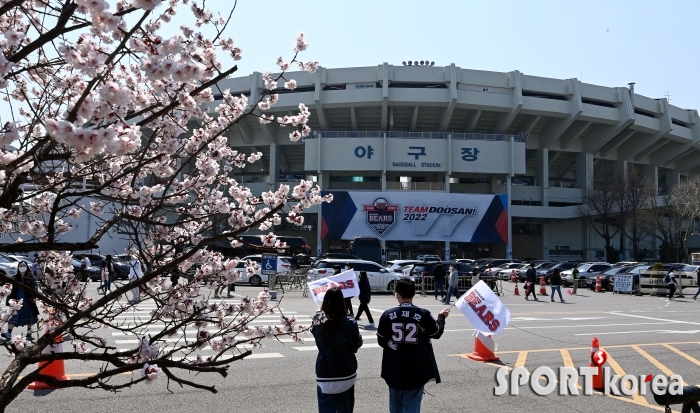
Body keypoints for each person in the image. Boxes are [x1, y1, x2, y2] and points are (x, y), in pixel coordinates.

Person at [377, 277, 449, 413]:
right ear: (414, 293)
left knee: (395, 406)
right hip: (416, 369)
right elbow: (436, 333)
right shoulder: (423, 314)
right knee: (412, 406)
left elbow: (381, 341)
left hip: (394, 368)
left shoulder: (387, 315)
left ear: (397, 294)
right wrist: (441, 317)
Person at [311, 287, 363, 412]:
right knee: (345, 408)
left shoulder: (318, 321)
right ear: (342, 302)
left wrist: (319, 313)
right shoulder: (350, 322)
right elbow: (357, 344)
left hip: (326, 372)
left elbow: (315, 333)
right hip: (346, 372)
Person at [1, 262, 40, 341]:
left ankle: (29, 331)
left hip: (27, 300)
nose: (22, 267)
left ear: (27, 267)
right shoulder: (15, 277)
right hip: (16, 299)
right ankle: (8, 332)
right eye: (21, 266)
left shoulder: (30, 277)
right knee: (13, 315)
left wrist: (34, 296)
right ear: (18, 267)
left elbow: (35, 287)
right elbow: (10, 287)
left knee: (28, 315)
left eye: (24, 266)